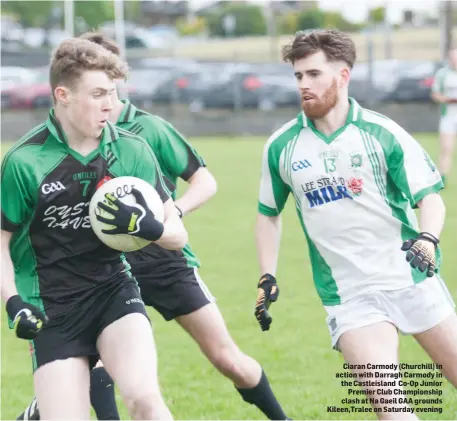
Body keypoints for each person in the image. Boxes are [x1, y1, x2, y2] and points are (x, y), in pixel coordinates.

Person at [17, 32, 291, 421]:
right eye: (97, 88)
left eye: (111, 83)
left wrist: (163, 218)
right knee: (98, 373)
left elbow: (206, 182)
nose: (107, 96)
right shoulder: (53, 147)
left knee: (226, 357)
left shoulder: (147, 131)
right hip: (98, 268)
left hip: (162, 259)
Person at [254, 29, 457, 420]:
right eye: (298, 76)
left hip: (411, 278)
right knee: (391, 409)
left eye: (314, 74)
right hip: (349, 297)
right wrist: (267, 276)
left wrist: (428, 239)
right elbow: (268, 214)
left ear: (343, 75)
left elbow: (430, 197)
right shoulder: (282, 146)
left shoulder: (382, 133)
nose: (304, 85)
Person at [3, 37, 189, 420]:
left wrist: (148, 226)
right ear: (63, 95)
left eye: (113, 93)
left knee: (144, 397)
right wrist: (12, 301)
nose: (110, 104)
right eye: (98, 94)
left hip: (113, 291)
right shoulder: (24, 162)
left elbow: (177, 235)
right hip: (52, 308)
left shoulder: (131, 150)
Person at [431, 47, 457, 187]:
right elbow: (435, 94)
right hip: (449, 116)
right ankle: (442, 177)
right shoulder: (442, 74)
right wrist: (446, 99)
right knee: (446, 148)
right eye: (453, 58)